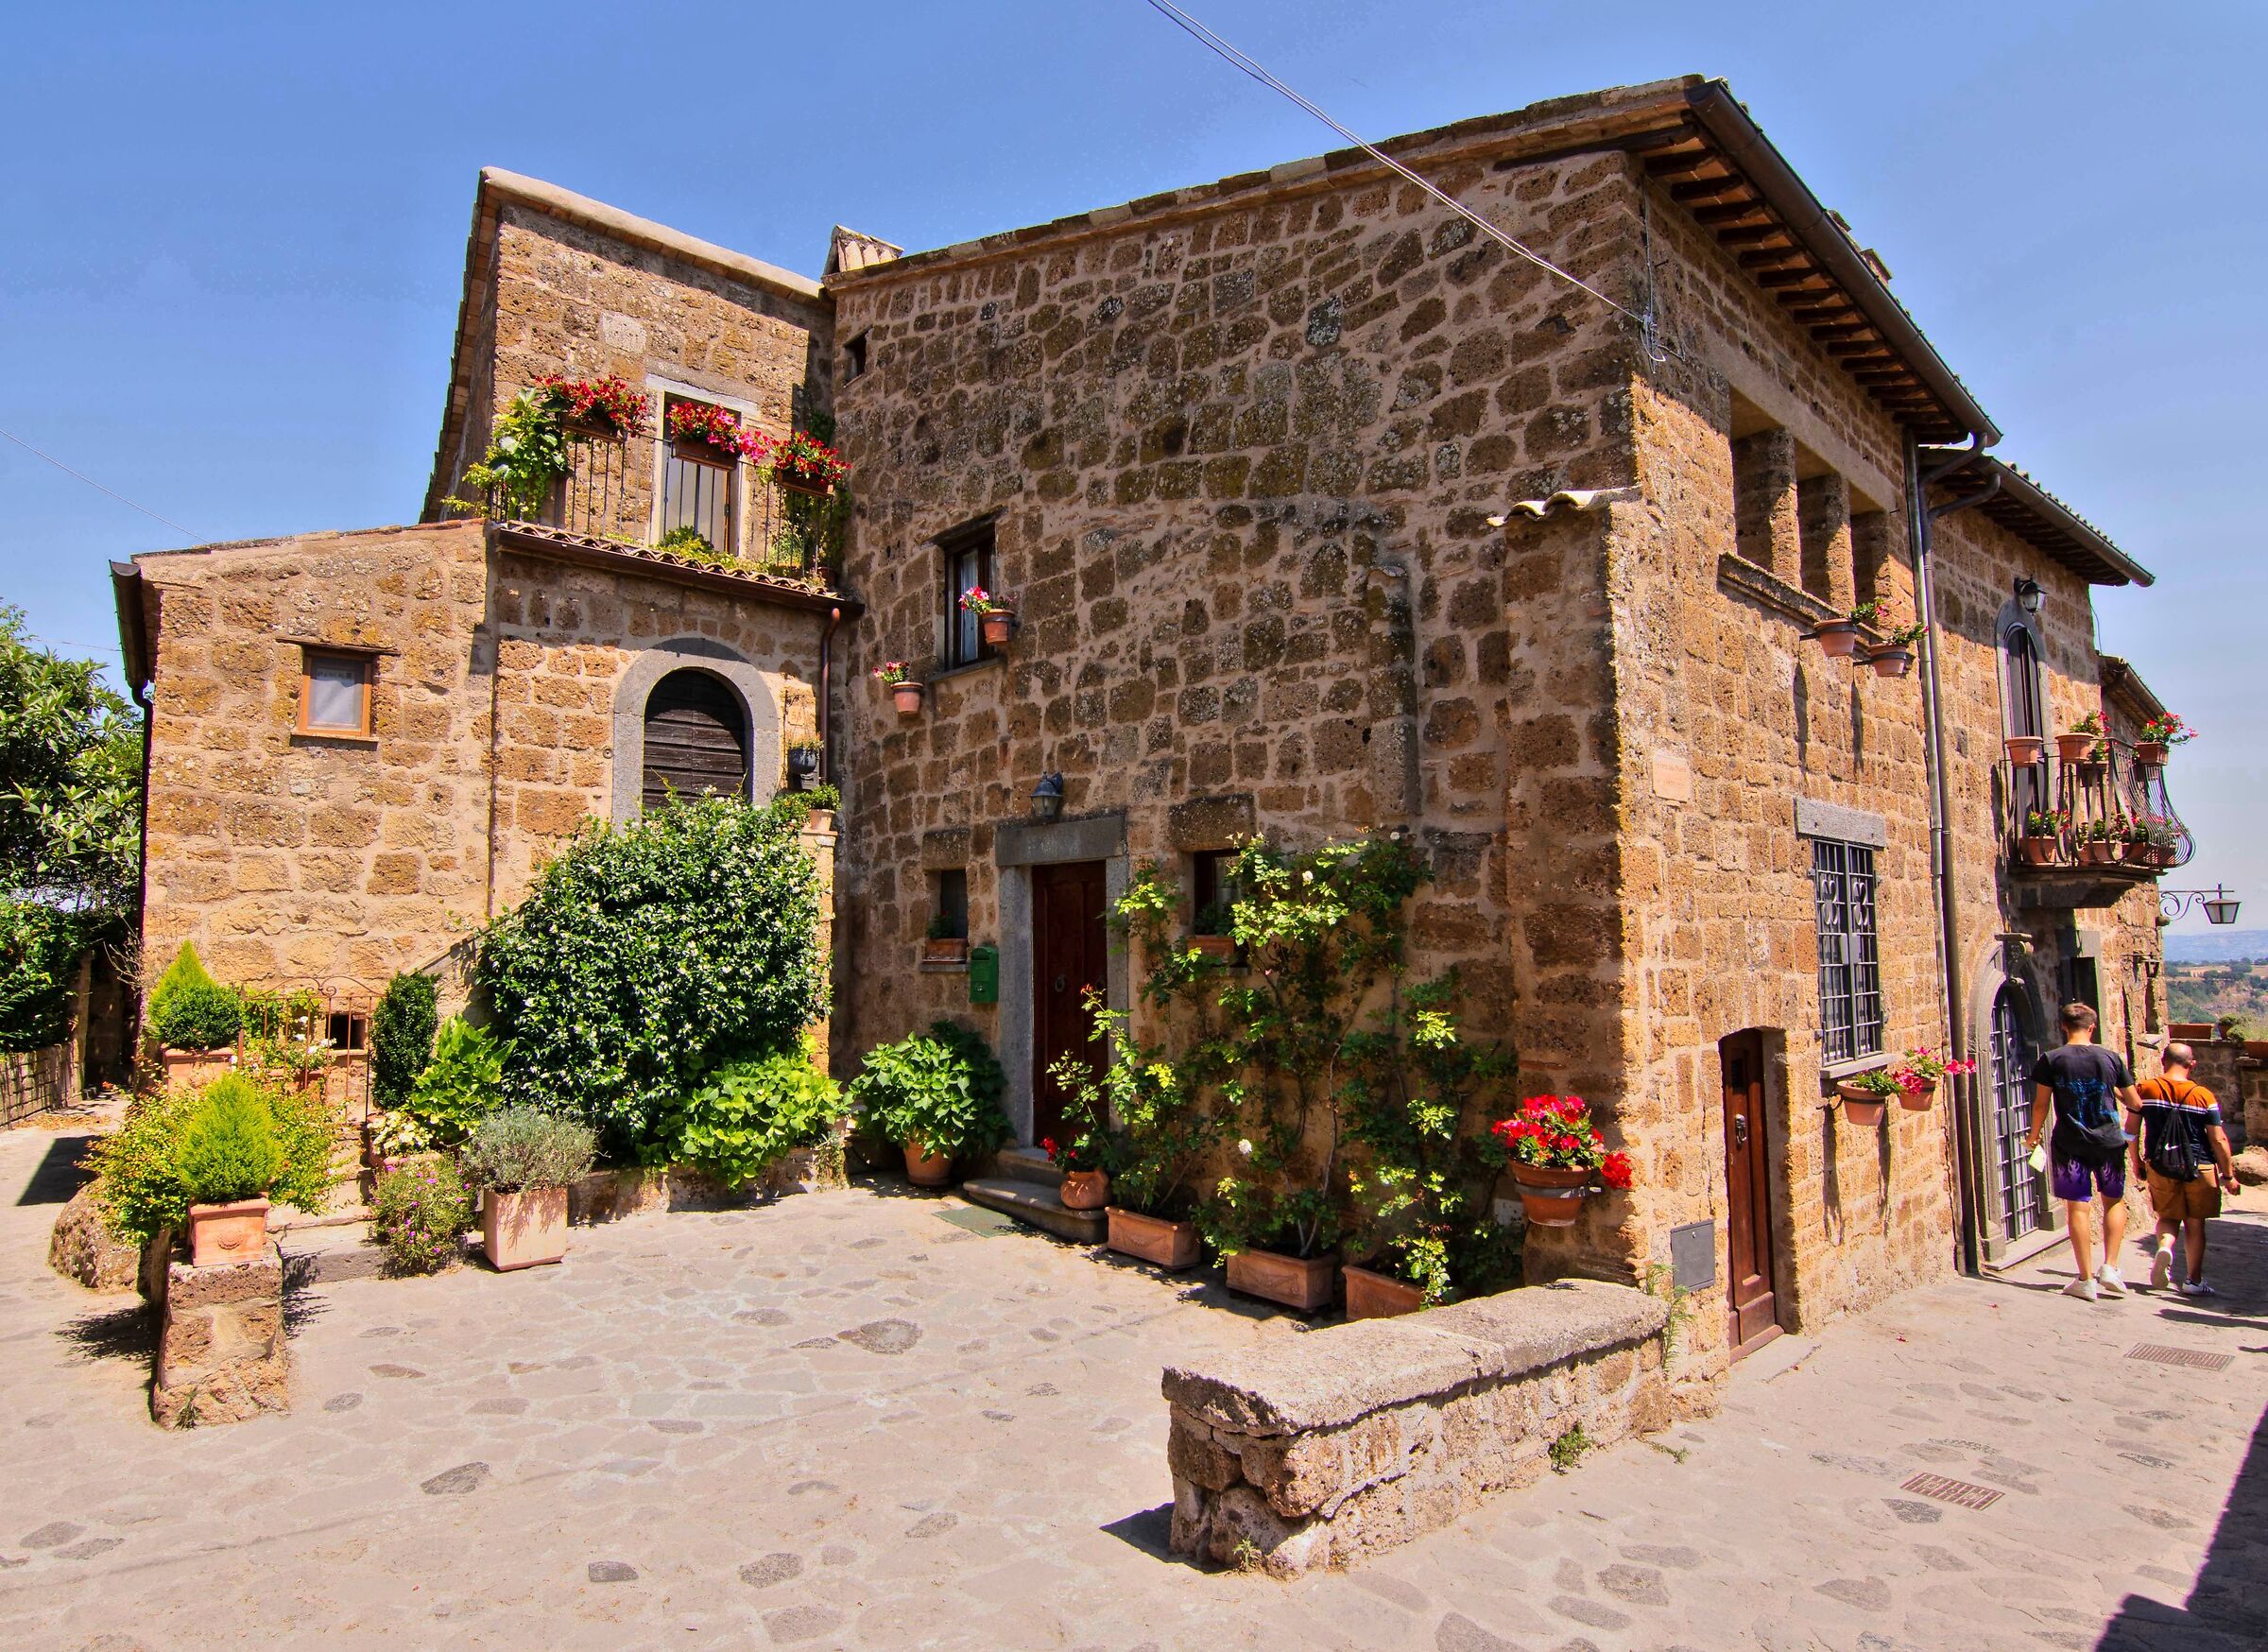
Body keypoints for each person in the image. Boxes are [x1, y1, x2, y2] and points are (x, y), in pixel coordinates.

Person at [2025, 1002, 2141, 1301]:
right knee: (2114, 1202)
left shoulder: (2051, 1060)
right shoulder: (2110, 1058)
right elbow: (2135, 1103)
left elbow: (2041, 1104)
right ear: (2092, 1027)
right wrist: (2114, 1093)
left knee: (2077, 1207)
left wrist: (2033, 1135)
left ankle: (2086, 1279)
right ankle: (2111, 1267)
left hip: (2069, 1142)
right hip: (2109, 1141)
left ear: (2063, 1026)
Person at [2132, 1041, 2239, 1296]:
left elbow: (2131, 1130)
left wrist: (2137, 1162)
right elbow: (2218, 1139)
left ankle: (2165, 1247)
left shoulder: (2145, 1089)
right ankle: (2193, 1280)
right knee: (2195, 1223)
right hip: (2199, 1166)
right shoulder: (2204, 1096)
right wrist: (2228, 1175)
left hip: (2160, 1164)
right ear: (2192, 1065)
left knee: (2168, 1216)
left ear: (2163, 1061)